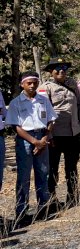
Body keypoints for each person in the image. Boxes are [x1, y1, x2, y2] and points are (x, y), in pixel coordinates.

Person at [6, 71, 57, 226]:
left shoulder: (43, 100)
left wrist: (44, 139)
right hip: (25, 140)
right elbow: (17, 126)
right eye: (29, 83)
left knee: (43, 173)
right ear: (22, 84)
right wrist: (35, 142)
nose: (32, 85)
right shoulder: (16, 102)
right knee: (24, 176)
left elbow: (51, 120)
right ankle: (22, 212)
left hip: (42, 137)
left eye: (35, 82)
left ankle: (43, 208)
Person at [40, 56, 80, 206]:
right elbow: (43, 112)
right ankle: (52, 198)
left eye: (64, 68)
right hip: (55, 135)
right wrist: (48, 134)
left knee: (72, 166)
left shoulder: (72, 84)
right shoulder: (46, 87)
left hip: (73, 133)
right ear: (51, 71)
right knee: (53, 167)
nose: (61, 71)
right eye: (57, 68)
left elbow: (79, 105)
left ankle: (73, 194)